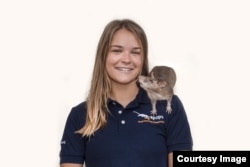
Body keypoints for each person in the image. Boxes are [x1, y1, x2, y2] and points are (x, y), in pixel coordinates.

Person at [59, 19, 193, 167]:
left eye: (135, 53)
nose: (127, 59)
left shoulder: (169, 106)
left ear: (143, 59)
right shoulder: (80, 115)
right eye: (117, 50)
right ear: (103, 56)